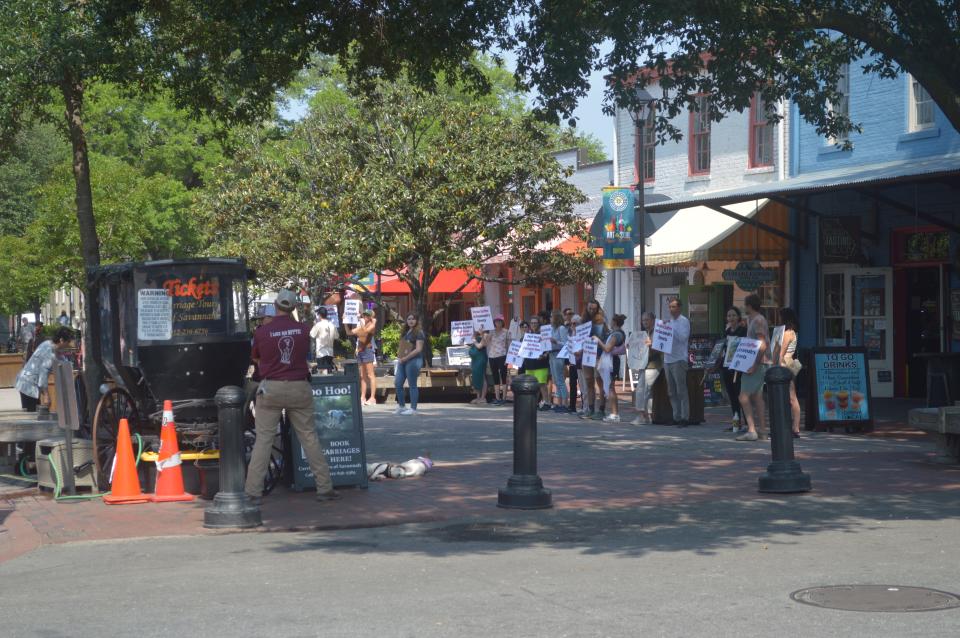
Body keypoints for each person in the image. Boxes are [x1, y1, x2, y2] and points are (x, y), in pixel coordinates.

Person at [244, 289, 339, 505]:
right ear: (293, 308)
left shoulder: (262, 332)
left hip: (271, 388)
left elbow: (256, 357)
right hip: (299, 387)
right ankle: (325, 488)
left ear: (276, 305)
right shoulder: (303, 330)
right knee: (309, 438)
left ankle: (253, 492)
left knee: (264, 440)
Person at [15, 326, 76, 412]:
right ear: (61, 340)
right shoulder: (49, 353)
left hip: (26, 381)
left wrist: (69, 364)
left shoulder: (48, 343)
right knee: (32, 414)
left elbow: (59, 357)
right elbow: (43, 376)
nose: (69, 345)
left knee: (35, 413)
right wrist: (46, 396)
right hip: (28, 385)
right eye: (68, 342)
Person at [736, 294, 771, 442]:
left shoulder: (758, 320)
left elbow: (762, 344)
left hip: (757, 363)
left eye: (745, 304)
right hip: (759, 362)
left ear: (750, 305)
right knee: (757, 397)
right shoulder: (754, 320)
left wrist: (754, 364)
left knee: (743, 397)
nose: (744, 307)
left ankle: (752, 430)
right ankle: (762, 430)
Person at [631, 312, 663, 425]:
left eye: (647, 320)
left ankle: (641, 415)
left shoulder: (658, 332)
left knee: (642, 389)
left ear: (653, 320)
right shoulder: (643, 333)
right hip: (643, 364)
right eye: (643, 320)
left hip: (654, 365)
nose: (644, 322)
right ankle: (648, 416)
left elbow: (660, 350)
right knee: (646, 391)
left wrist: (651, 345)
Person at [664, 298, 691, 426]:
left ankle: (685, 417)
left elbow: (683, 338)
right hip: (667, 359)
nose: (671, 309)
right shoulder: (669, 322)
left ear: (679, 308)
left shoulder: (684, 321)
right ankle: (676, 417)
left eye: (674, 307)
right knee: (671, 391)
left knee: (681, 390)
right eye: (670, 307)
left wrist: (671, 329)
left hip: (679, 359)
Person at [719, 306, 747, 432]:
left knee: (741, 395)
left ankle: (748, 424)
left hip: (739, 368)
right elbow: (723, 348)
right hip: (727, 367)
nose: (731, 318)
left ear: (738, 317)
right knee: (732, 396)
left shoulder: (743, 331)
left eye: (733, 315)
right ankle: (736, 421)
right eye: (729, 316)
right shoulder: (727, 332)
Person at [596, 313, 627, 422]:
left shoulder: (616, 335)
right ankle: (613, 413)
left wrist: (597, 340)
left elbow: (607, 349)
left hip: (612, 362)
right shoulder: (614, 333)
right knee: (609, 387)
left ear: (614, 322)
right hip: (611, 361)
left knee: (610, 387)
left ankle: (615, 414)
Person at [394, 313, 426, 415]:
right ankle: (402, 406)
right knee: (398, 383)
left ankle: (413, 409)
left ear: (416, 320)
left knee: (412, 384)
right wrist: (399, 357)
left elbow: (418, 349)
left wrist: (406, 358)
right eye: (409, 319)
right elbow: (403, 346)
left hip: (414, 360)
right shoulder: (405, 331)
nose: (411, 321)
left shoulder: (419, 332)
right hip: (403, 360)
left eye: (413, 319)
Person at [579, 299, 605, 419]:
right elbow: (579, 339)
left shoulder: (601, 322)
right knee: (589, 381)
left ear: (598, 309)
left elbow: (602, 339)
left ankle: (601, 409)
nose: (592, 311)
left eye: (594, 309)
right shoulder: (582, 321)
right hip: (586, 355)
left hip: (597, 355)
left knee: (600, 382)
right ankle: (590, 409)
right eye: (590, 308)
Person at [779, 307, 802, 438]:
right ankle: (794, 426)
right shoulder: (794, 332)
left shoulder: (788, 333)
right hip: (790, 363)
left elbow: (781, 353)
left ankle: (795, 427)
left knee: (791, 397)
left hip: (785, 364)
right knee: (790, 397)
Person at [520, 315, 551, 410]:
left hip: (541, 363)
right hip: (529, 364)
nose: (533, 324)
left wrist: (545, 355)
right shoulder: (527, 335)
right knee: (531, 385)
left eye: (535, 323)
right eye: (532, 323)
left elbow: (548, 348)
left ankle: (547, 403)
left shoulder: (543, 334)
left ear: (539, 324)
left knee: (542, 384)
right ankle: (533, 403)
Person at [349, 309, 378, 405]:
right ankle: (362, 397)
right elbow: (349, 332)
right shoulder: (361, 324)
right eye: (364, 315)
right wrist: (345, 322)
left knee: (370, 375)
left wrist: (359, 320)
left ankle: (373, 398)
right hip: (360, 351)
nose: (365, 316)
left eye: (367, 315)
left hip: (368, 350)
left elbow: (365, 331)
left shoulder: (372, 324)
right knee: (362, 375)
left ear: (371, 316)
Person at [548, 310, 569, 412]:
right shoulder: (551, 329)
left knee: (560, 380)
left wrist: (555, 341)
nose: (550, 318)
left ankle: (565, 404)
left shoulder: (561, 328)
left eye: (552, 317)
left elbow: (565, 343)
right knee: (555, 381)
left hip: (558, 354)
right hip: (551, 354)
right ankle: (559, 403)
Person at [487, 316, 510, 405]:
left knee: (503, 376)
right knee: (495, 376)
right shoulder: (491, 331)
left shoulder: (506, 331)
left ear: (502, 322)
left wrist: (508, 357)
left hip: (502, 355)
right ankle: (497, 397)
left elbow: (508, 344)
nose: (498, 323)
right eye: (496, 321)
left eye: (500, 321)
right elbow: (487, 341)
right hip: (492, 356)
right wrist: (485, 333)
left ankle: (504, 397)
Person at [310, 306, 338, 374]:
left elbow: (312, 334)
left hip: (321, 352)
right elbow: (337, 336)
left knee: (322, 373)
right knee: (329, 371)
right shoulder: (332, 325)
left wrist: (314, 324)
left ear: (319, 315)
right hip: (330, 352)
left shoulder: (318, 325)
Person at [468, 329, 490, 404]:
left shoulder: (486, 335)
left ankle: (483, 398)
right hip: (475, 360)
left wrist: (474, 340)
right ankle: (478, 397)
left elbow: (480, 346)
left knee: (482, 377)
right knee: (476, 377)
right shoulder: (476, 335)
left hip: (481, 359)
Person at [567, 314, 582, 413]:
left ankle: (585, 406)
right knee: (572, 385)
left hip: (581, 362)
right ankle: (572, 406)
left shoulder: (583, 334)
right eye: (571, 323)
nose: (573, 325)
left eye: (575, 323)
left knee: (582, 385)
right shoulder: (571, 334)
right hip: (572, 362)